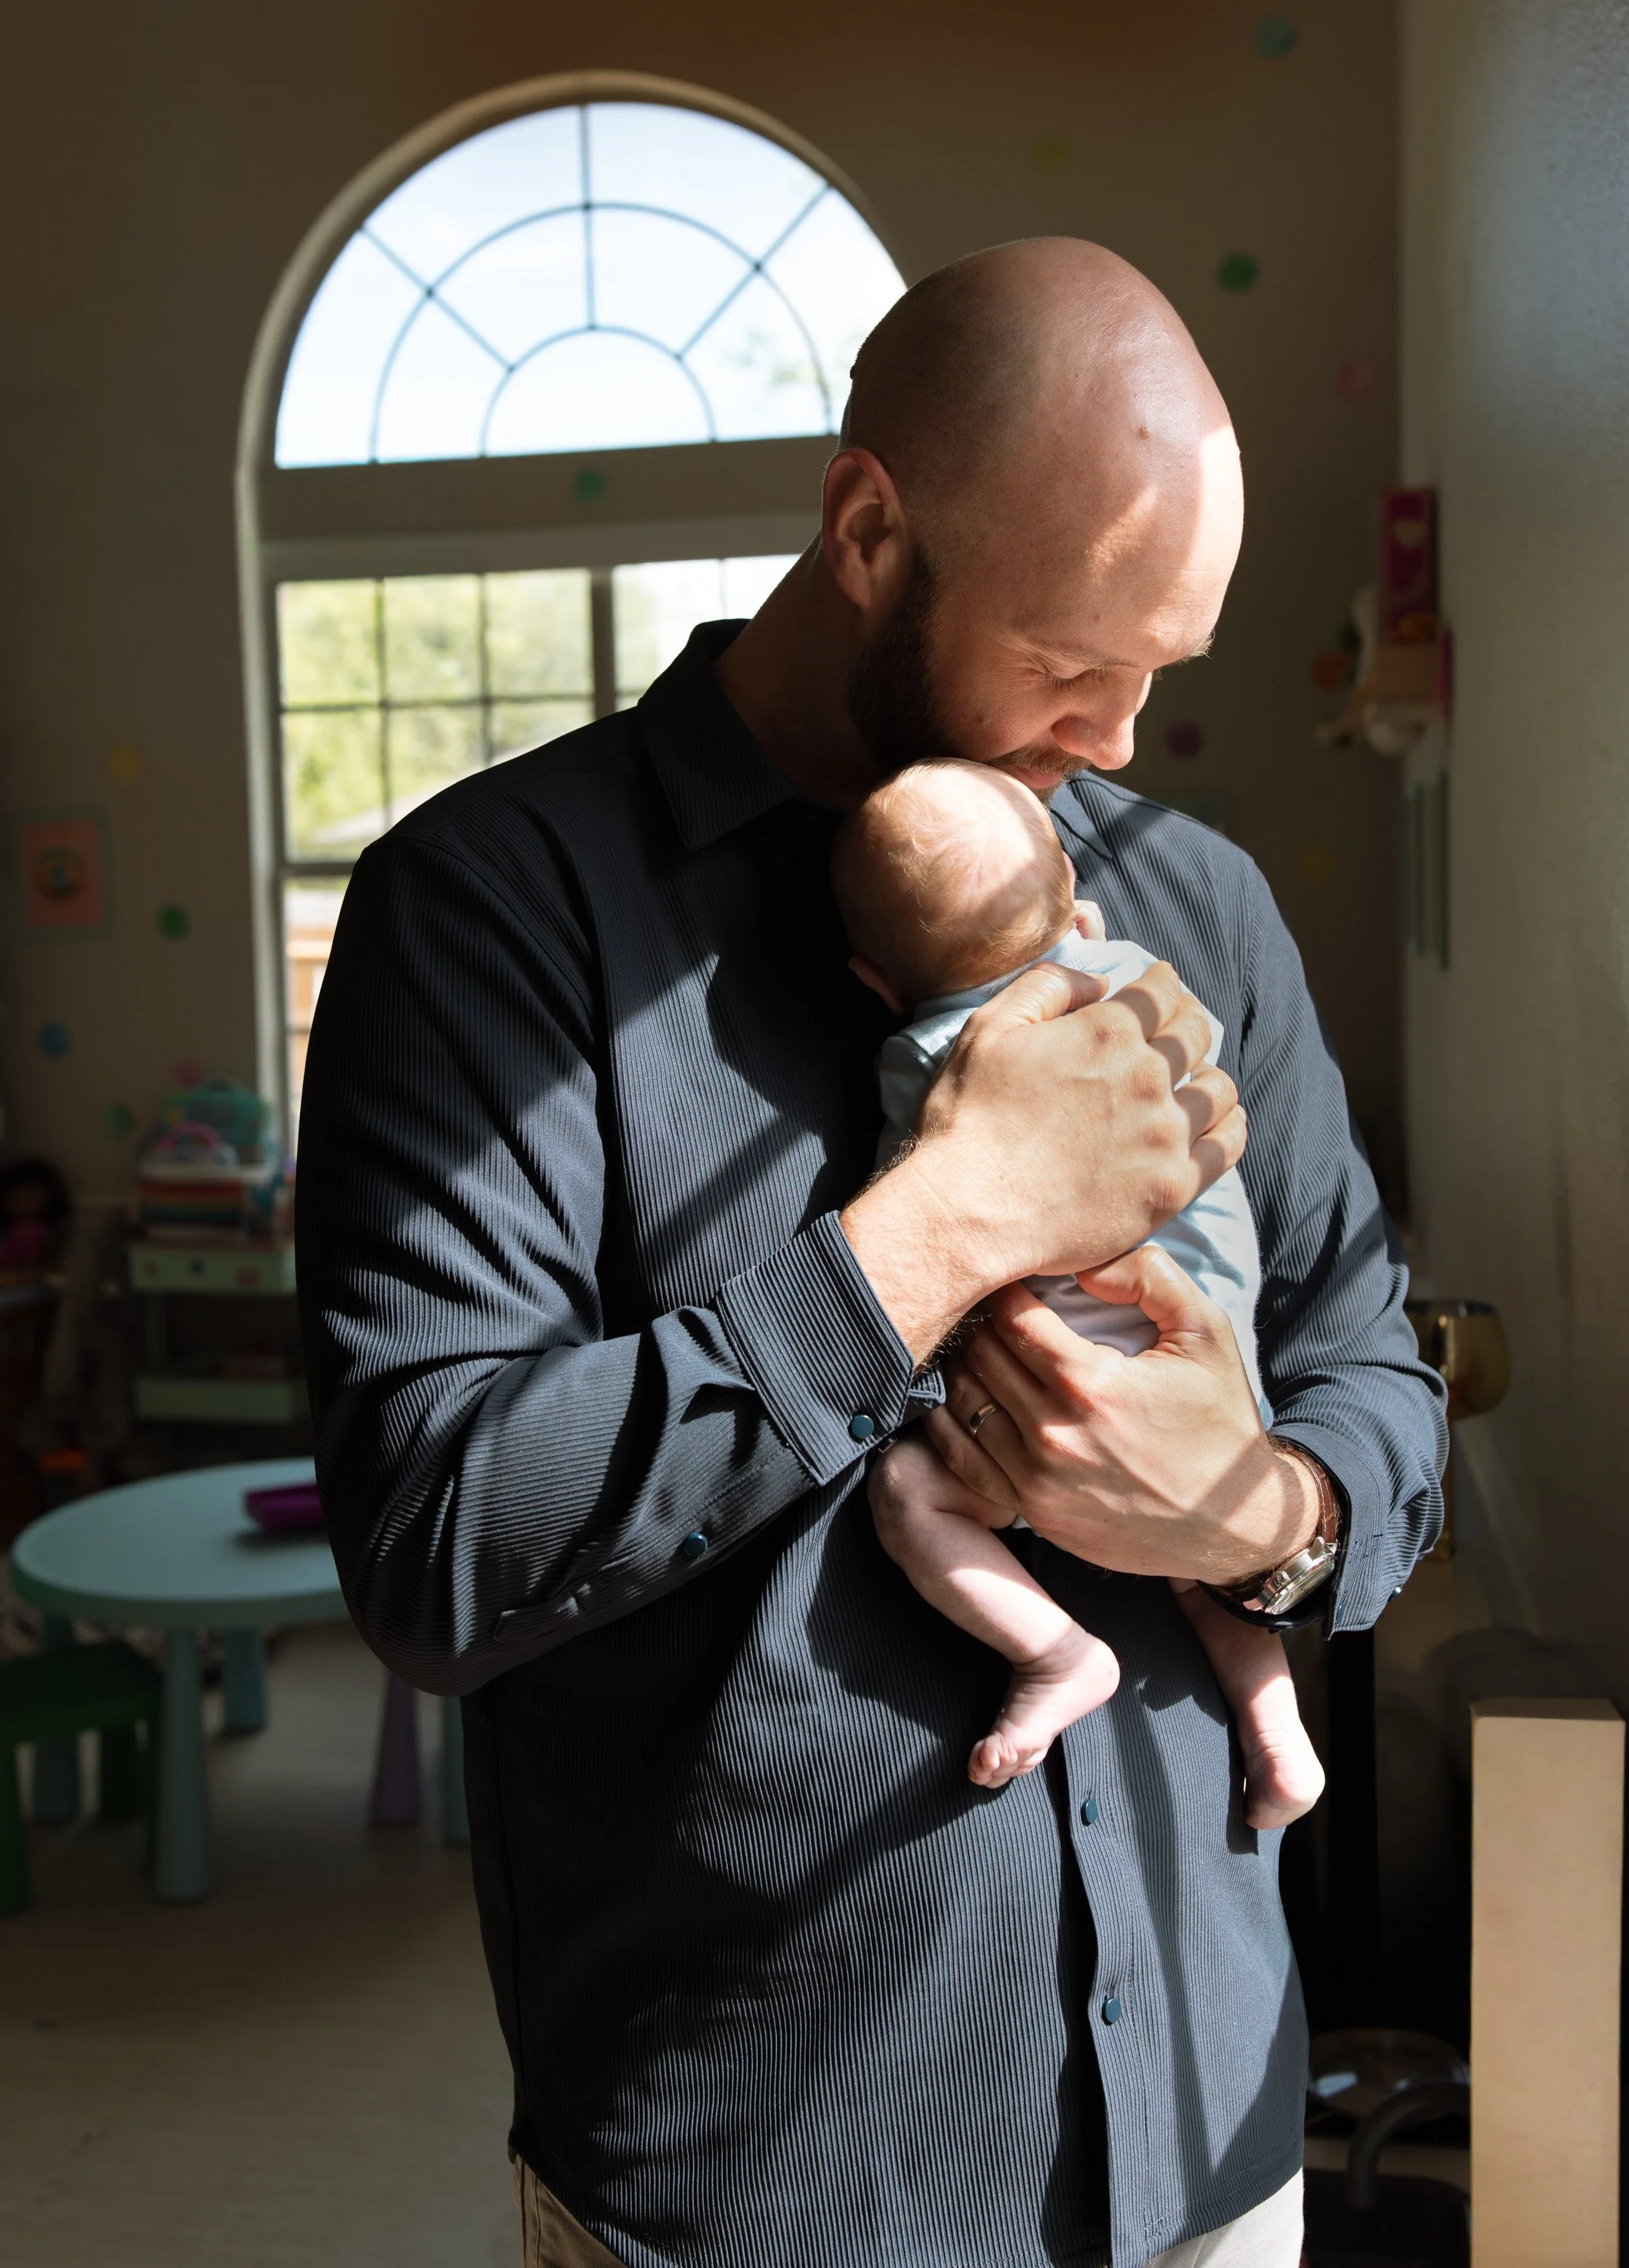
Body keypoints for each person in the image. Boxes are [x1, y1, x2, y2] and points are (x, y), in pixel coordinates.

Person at [298, 239, 1446, 2268]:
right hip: (782, 2187)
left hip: (1212, 2142)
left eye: (1163, 665)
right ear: (865, 527)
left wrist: (1258, 1509)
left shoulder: (1198, 903)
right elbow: (432, 1546)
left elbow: (1376, 1371)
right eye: (1077, 654)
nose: (1117, 736)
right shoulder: (490, 915)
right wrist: (935, 1237)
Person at [832, 758, 1326, 1829]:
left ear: (874, 980)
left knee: (909, 1500)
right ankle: (1279, 1735)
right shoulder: (1136, 976)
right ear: (1071, 890)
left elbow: (914, 1192)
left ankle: (1056, 1652)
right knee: (1204, 1547)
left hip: (1034, 1399)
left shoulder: (925, 1051)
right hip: (1211, 1346)